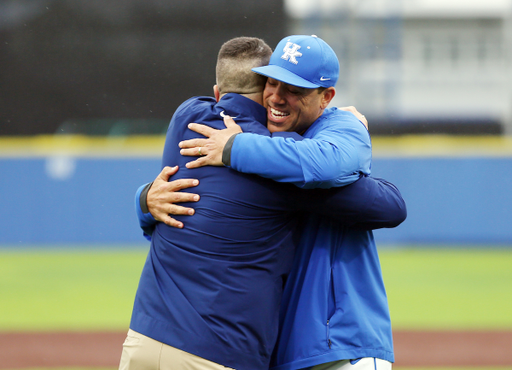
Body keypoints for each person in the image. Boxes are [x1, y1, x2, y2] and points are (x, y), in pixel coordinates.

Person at [122, 36, 406, 370]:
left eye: (295, 90)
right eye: (272, 83)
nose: (278, 97)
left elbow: (388, 205)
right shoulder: (272, 154)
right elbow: (386, 203)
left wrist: (234, 150)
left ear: (326, 97)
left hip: (340, 347)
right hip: (247, 350)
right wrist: (147, 197)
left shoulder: (192, 118)